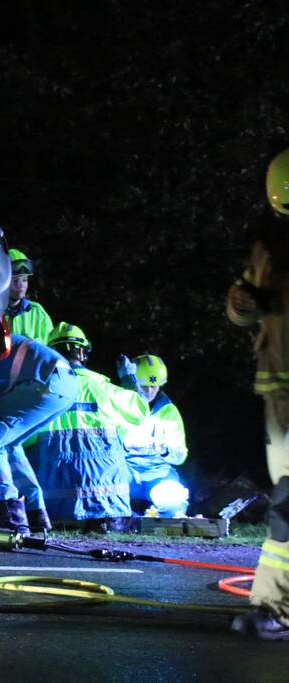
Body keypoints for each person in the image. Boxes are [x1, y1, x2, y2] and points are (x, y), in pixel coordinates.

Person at [229, 148, 289, 640]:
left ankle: (276, 610)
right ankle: (275, 609)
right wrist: (241, 303)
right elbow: (246, 310)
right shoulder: (267, 245)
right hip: (279, 396)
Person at [31, 322, 149, 525]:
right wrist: (129, 378)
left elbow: (24, 439)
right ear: (82, 353)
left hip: (56, 511)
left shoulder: (40, 392)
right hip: (106, 508)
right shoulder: (103, 389)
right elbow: (141, 411)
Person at [0, 332, 78, 535]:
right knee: (9, 444)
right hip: (64, 384)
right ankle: (36, 512)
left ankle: (10, 514)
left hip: (42, 382)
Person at [121, 354, 190, 518]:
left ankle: (153, 516)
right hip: (124, 471)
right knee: (105, 497)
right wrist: (125, 445)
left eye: (154, 386)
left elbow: (180, 456)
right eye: (144, 386)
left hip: (158, 474)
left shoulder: (169, 412)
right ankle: (124, 516)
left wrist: (165, 450)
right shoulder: (119, 404)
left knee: (174, 505)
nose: (149, 391)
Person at [4, 248, 54, 344]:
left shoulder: (38, 314)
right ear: (4, 280)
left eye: (24, 279)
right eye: (15, 280)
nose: (21, 285)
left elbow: (51, 352)